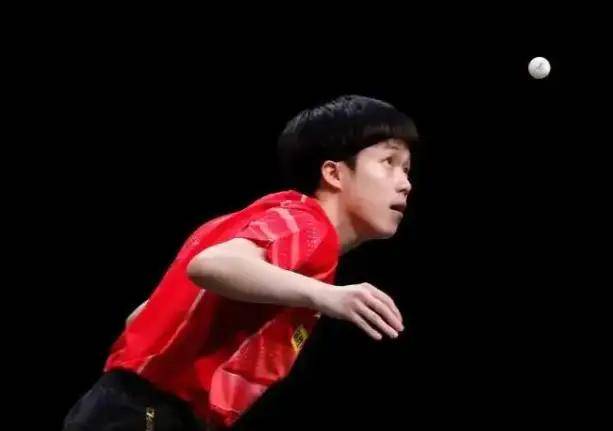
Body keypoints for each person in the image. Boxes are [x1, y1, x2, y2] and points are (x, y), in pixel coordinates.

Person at [63, 95, 419, 430]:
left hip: (129, 405)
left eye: (406, 169)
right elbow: (210, 265)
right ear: (334, 173)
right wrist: (328, 296)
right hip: (149, 411)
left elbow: (141, 317)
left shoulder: (259, 221)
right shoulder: (309, 227)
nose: (405, 184)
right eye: (388, 163)